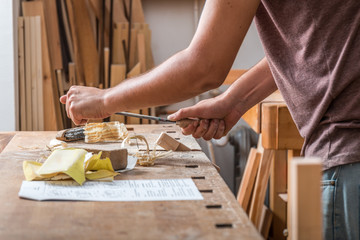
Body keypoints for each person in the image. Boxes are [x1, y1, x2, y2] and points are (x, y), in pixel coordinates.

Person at [60, 0, 360, 238]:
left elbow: (203, 66)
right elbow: (316, 42)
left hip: (347, 160)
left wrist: (105, 100)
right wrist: (233, 102)